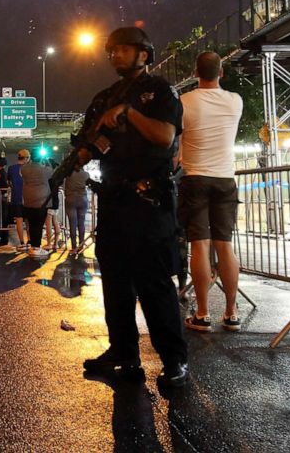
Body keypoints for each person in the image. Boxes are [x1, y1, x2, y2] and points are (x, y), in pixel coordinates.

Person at [80, 27, 189, 389]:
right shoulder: (103, 97)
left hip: (149, 201)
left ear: (144, 54)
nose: (115, 56)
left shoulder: (159, 90)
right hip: (113, 199)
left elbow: (165, 136)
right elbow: (88, 146)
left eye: (124, 50)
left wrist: (129, 113)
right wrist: (86, 146)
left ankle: (174, 360)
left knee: (154, 283)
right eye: (112, 51)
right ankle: (124, 353)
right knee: (114, 283)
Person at [178, 51, 243, 333]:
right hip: (225, 179)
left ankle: (203, 313)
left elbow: (177, 140)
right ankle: (231, 311)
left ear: (195, 72)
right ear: (221, 73)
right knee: (224, 246)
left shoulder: (185, 102)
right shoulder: (235, 101)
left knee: (199, 245)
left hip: (195, 179)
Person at [20, 151, 54, 259]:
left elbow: (24, 167)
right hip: (42, 201)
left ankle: (33, 246)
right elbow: (52, 171)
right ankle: (37, 248)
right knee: (39, 225)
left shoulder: (24, 169)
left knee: (31, 224)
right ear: (40, 159)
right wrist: (47, 160)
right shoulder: (44, 170)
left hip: (28, 200)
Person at [62, 163, 90, 255]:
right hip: (83, 199)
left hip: (70, 199)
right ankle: (81, 245)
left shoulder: (68, 174)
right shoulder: (86, 174)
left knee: (72, 223)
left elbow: (63, 185)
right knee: (81, 223)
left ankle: (74, 247)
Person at [7, 151, 29, 251]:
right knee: (29, 221)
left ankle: (21, 243)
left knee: (19, 221)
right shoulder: (29, 168)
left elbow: (9, 182)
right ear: (26, 158)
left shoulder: (11, 168)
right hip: (29, 198)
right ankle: (30, 241)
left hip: (16, 197)